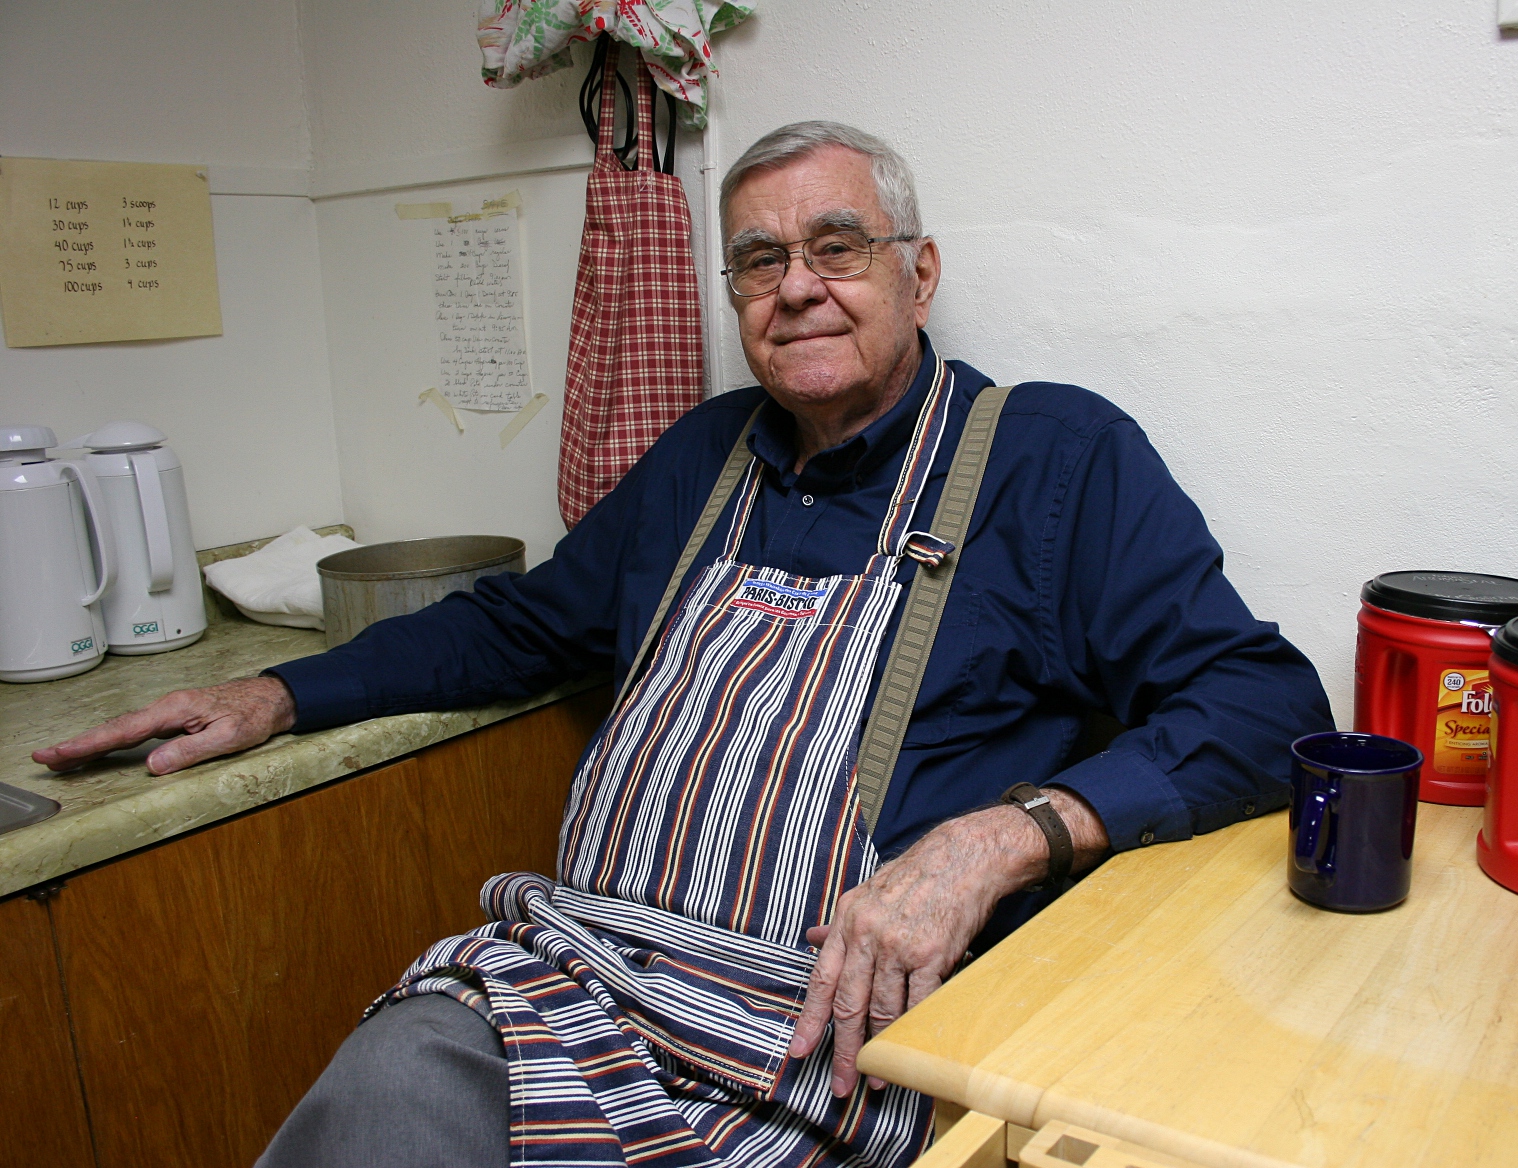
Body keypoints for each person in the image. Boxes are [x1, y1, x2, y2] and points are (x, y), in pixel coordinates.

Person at [35, 122, 1333, 1168]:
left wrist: (1003, 837)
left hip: (831, 1057)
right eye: (760, 261)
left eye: (838, 247)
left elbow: (1264, 703)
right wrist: (279, 692)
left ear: (920, 272)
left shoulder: (1054, 458)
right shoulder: (701, 459)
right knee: (392, 1090)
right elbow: (519, 624)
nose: (798, 287)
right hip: (573, 982)